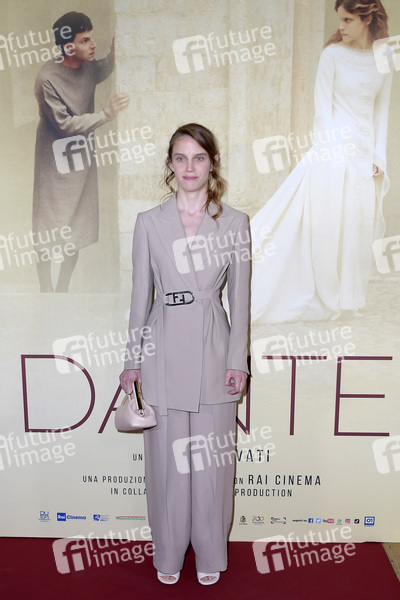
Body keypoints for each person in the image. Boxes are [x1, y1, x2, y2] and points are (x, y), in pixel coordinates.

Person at [119, 123, 250, 585]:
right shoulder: (148, 222)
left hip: (215, 350)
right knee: (167, 466)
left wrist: (237, 361)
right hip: (161, 351)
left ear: (212, 163)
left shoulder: (235, 222)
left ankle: (211, 556)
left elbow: (241, 299)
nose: (189, 167)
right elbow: (140, 297)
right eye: (181, 157)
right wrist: (132, 361)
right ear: (170, 164)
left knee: (212, 466)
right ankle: (169, 556)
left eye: (198, 157)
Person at [251, 0, 392, 323]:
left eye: (347, 19)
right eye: (339, 19)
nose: (340, 26)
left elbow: (381, 110)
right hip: (332, 154)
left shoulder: (383, 58)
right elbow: (322, 111)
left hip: (365, 158)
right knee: (329, 228)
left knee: (359, 226)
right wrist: (332, 154)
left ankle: (351, 300)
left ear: (367, 19)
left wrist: (379, 155)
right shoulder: (331, 56)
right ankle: (328, 296)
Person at [32, 11, 129, 292]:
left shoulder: (88, 67)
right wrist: (106, 114)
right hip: (53, 162)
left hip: (80, 158)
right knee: (49, 224)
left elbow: (101, 68)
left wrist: (115, 54)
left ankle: (62, 288)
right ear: (68, 47)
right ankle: (45, 289)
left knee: (76, 222)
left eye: (91, 37)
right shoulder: (47, 78)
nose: (92, 44)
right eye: (85, 40)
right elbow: (64, 125)